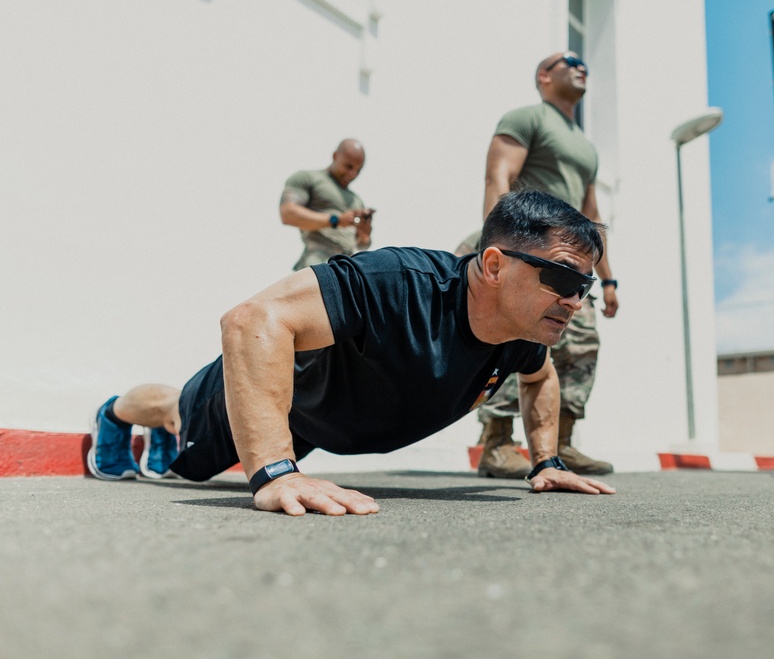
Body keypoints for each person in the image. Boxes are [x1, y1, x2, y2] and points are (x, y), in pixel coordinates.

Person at [86, 190, 617, 516]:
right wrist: (274, 473)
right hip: (278, 398)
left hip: (316, 428)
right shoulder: (397, 282)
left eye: (584, 287)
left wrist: (545, 460)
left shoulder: (524, 332)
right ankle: (114, 414)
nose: (574, 300)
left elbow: (541, 378)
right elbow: (252, 319)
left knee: (187, 451)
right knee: (179, 413)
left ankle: (165, 440)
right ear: (496, 265)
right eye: (562, 277)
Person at [474, 50, 619, 479]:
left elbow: (592, 216)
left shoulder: (586, 146)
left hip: (570, 258)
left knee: (580, 344)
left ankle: (559, 443)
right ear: (544, 75)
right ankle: (497, 442)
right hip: (526, 248)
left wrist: (608, 279)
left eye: (586, 64)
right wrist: (492, 248)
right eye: (569, 60)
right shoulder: (527, 118)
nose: (582, 66)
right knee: (506, 336)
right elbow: (497, 178)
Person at [280, 138, 375, 271]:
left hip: (347, 267)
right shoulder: (309, 178)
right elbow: (288, 213)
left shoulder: (356, 200)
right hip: (317, 262)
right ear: (335, 156)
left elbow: (362, 246)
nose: (352, 174)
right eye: (349, 166)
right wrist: (337, 220)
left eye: (358, 170)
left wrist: (364, 236)